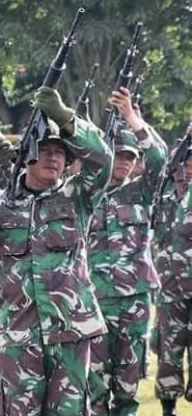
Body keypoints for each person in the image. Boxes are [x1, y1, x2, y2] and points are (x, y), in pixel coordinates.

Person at [0, 86, 113, 415]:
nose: (54, 156)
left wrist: (65, 118)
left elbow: (102, 160)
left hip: (69, 329)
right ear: (26, 154)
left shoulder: (76, 196)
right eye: (45, 149)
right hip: (18, 333)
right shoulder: (0, 201)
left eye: (60, 151)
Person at [86, 87, 166, 415]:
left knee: (128, 386)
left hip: (134, 301)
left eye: (130, 157)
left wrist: (131, 116)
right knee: (95, 383)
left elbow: (159, 157)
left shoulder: (141, 193)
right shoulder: (85, 194)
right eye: (117, 154)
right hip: (94, 299)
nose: (123, 161)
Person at [151, 123, 192, 416]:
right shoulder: (162, 198)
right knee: (169, 350)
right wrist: (188, 138)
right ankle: (168, 407)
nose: (188, 170)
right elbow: (164, 166)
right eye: (186, 164)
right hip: (170, 289)